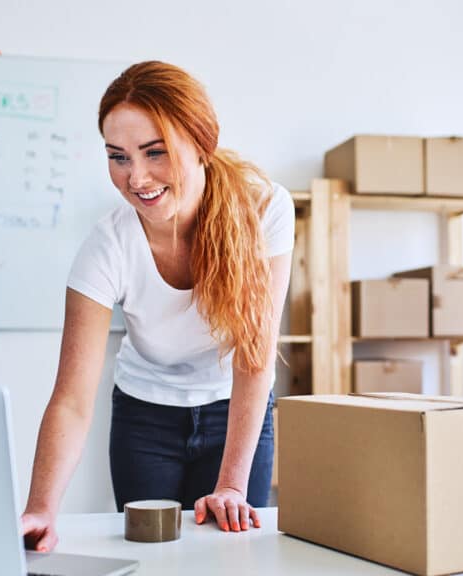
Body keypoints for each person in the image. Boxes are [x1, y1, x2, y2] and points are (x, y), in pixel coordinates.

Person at [20, 61, 294, 551]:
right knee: (149, 557)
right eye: (118, 157)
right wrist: (40, 507)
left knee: (231, 557)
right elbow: (71, 400)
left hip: (234, 411)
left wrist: (231, 483)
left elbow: (255, 358)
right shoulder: (108, 245)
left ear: (201, 143)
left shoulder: (264, 208)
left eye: (155, 152)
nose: (136, 178)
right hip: (145, 418)